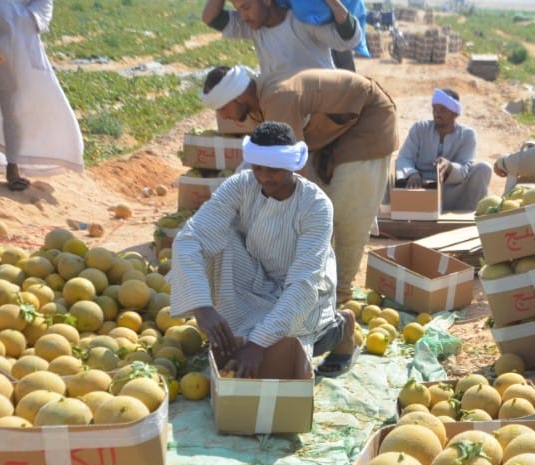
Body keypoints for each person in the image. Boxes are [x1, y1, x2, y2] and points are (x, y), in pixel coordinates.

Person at [170, 121, 358, 378]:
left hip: (305, 290)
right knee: (214, 243)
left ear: (292, 165)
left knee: (283, 346)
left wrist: (258, 344)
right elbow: (190, 239)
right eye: (258, 168)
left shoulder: (316, 206)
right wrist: (202, 307)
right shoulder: (241, 185)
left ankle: (341, 326)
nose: (264, 176)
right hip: (256, 277)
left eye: (274, 170)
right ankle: (244, 331)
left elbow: (304, 283)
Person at [201, 65, 398, 303]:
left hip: (367, 121)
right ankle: (318, 281)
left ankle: (340, 292)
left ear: (239, 96)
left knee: (346, 212)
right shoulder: (255, 107)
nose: (222, 117)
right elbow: (264, 162)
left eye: (223, 108)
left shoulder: (277, 98)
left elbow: (291, 172)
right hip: (331, 131)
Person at [0, 0, 83, 191]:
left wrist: (17, 19)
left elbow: (41, 7)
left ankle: (13, 167)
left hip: (15, 51)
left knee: (14, 108)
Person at [202, 0, 362, 82]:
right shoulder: (253, 27)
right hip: (285, 110)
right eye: (238, 10)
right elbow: (211, 18)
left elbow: (348, 39)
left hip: (320, 108)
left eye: (246, 7)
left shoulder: (302, 22)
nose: (243, 17)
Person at [394, 88, 492, 213]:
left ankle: (470, 216)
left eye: (442, 110)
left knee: (483, 168)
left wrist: (450, 167)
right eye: (434, 109)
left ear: (455, 114)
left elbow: (465, 169)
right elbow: (404, 158)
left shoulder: (468, 135)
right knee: (385, 166)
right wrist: (412, 173)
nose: (436, 113)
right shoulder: (420, 128)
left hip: (453, 191)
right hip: (421, 188)